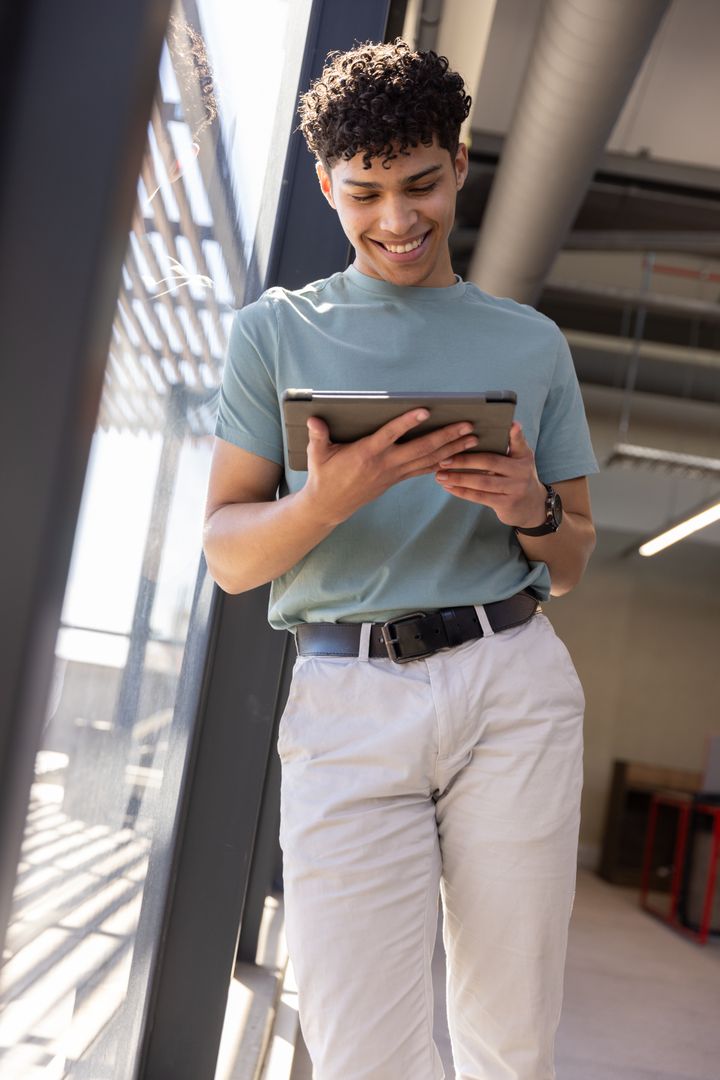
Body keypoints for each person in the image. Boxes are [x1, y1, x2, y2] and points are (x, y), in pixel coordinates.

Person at [204, 38, 598, 1080]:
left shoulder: (531, 345)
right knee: (359, 1049)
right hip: (347, 698)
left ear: (460, 164)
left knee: (510, 1034)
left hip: (508, 678)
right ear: (328, 185)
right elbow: (231, 556)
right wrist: (329, 500)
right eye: (365, 192)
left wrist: (532, 503)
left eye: (422, 183)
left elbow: (572, 557)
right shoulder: (273, 336)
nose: (397, 219)